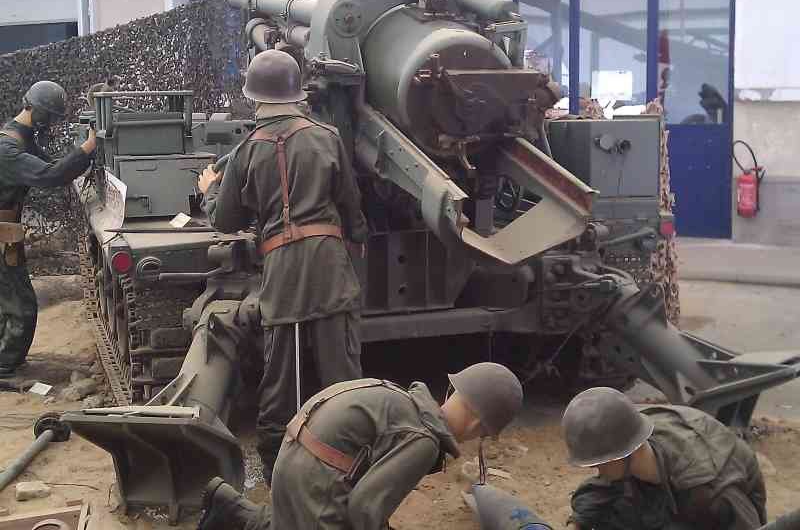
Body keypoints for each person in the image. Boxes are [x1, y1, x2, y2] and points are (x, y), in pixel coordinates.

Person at [197, 49, 369, 484]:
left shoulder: (246, 151)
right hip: (330, 266)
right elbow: (351, 205)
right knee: (342, 376)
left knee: (281, 381)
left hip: (282, 271)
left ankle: (278, 474)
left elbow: (226, 222)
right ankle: (355, 468)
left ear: (254, 98)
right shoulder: (327, 136)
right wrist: (356, 242)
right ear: (297, 93)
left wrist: (211, 190)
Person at [198, 361, 524, 530]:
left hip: (296, 463)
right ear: (477, 425)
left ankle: (228, 506)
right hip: (313, 478)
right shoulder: (423, 440)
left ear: (453, 393)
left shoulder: (406, 403)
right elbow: (364, 509)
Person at [563, 387, 767, 530]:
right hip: (672, 493)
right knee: (616, 512)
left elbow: (748, 524)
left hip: (710, 512)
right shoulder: (632, 442)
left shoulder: (711, 490)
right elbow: (600, 490)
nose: (598, 471)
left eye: (599, 464)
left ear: (624, 455)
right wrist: (577, 524)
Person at [0, 81, 97, 377]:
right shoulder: (8, 148)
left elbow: (54, 165)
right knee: (22, 306)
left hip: (7, 231)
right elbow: (50, 175)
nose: (54, 124)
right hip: (3, 233)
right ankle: (4, 366)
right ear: (42, 115)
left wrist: (83, 157)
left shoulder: (19, 137)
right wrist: (87, 148)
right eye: (53, 117)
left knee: (8, 300)